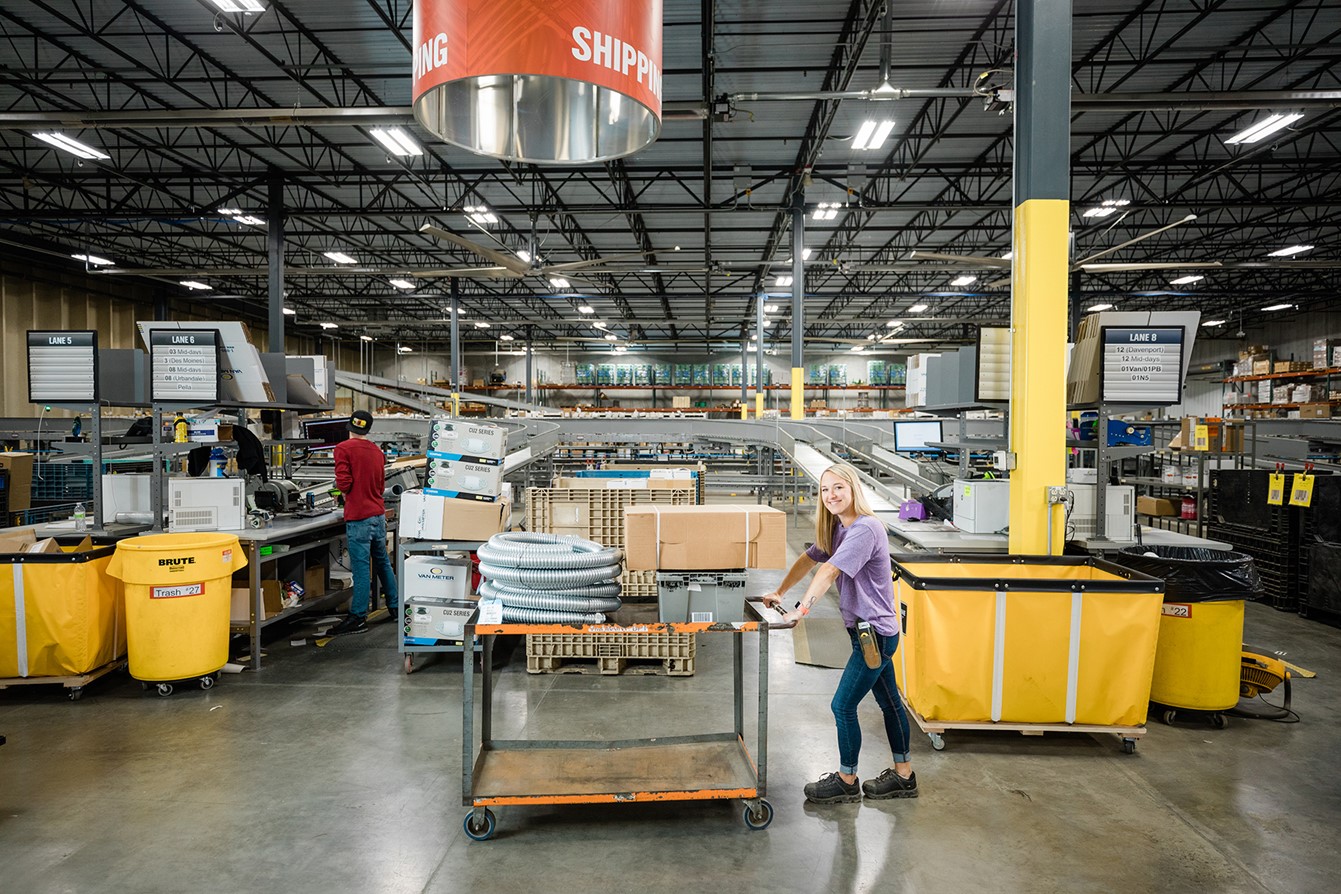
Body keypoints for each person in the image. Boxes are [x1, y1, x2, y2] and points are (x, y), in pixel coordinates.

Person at [762, 463, 917, 804]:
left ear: (853, 490)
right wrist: (780, 591)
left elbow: (830, 571)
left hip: (874, 635)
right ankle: (904, 776)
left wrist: (801, 610)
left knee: (842, 706)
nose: (831, 496)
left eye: (838, 488)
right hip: (865, 632)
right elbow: (809, 559)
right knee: (890, 703)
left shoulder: (865, 529)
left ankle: (847, 780)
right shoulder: (837, 528)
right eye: (824, 490)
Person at [327, 411, 397, 636]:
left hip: (359, 517)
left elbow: (344, 483)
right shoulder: (377, 452)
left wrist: (344, 494)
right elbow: (378, 487)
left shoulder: (343, 449)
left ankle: (358, 617)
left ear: (349, 427)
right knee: (383, 563)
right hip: (377, 515)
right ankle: (395, 608)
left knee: (360, 569)